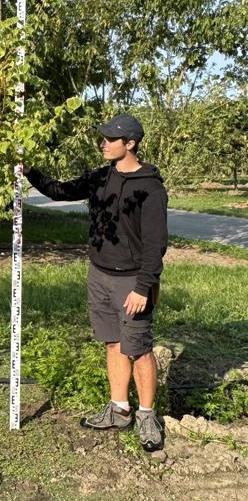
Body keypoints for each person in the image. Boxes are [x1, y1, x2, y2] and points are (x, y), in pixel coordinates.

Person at [24, 114, 168, 451]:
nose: (103, 143)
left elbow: (155, 244)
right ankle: (119, 409)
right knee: (113, 343)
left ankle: (147, 416)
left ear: (130, 143)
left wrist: (143, 287)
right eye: (102, 137)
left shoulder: (150, 188)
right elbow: (61, 191)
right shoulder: (100, 177)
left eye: (110, 138)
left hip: (132, 281)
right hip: (99, 275)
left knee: (140, 349)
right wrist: (30, 172)